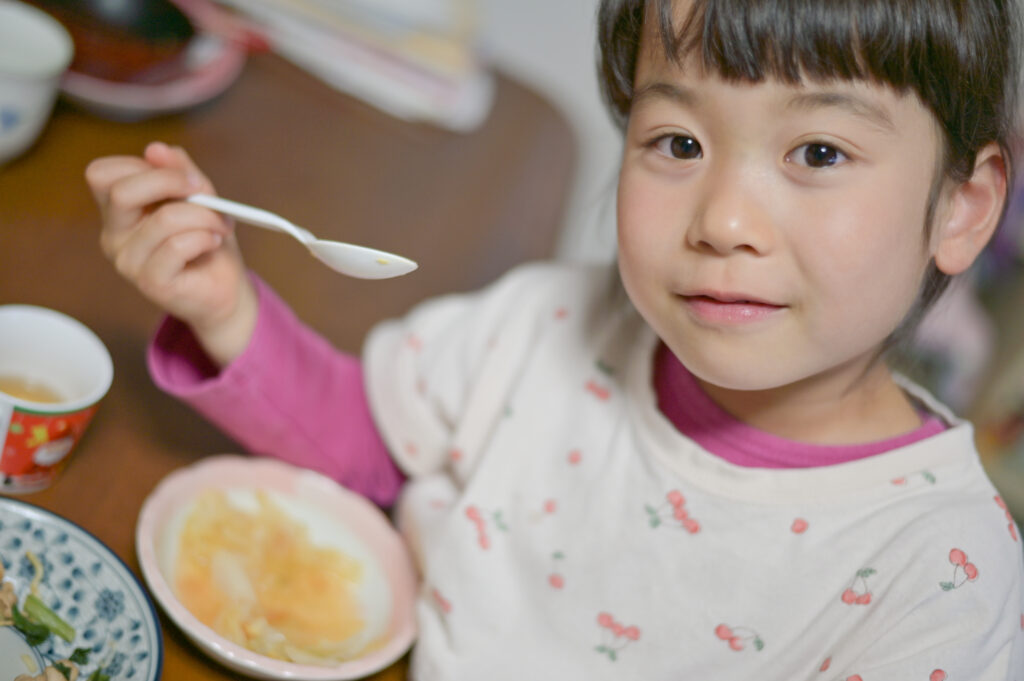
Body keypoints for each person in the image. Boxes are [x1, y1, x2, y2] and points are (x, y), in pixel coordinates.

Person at [86, 0, 1024, 677]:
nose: (725, 219)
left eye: (819, 153)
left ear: (961, 206)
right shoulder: (546, 327)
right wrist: (223, 308)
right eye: (679, 143)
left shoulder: (940, 582)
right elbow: (372, 447)